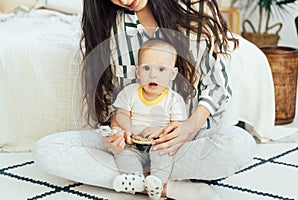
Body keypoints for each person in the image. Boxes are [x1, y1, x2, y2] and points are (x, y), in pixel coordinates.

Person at [34, 0, 256, 199]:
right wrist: (116, 130)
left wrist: (189, 127)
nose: (123, 0)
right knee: (48, 150)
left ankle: (137, 179)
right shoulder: (113, 23)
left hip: (181, 144)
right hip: (131, 147)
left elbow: (218, 86)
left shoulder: (193, 9)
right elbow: (110, 97)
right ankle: (159, 185)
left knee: (240, 144)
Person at [111, 38, 188, 199]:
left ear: (172, 74)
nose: (153, 74)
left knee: (164, 155)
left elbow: (178, 125)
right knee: (125, 155)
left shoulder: (174, 99)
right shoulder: (130, 92)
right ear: (138, 71)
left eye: (161, 69)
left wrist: (160, 131)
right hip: (133, 145)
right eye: (146, 68)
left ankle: (157, 183)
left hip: (159, 145)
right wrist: (127, 129)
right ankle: (136, 180)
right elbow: (122, 113)